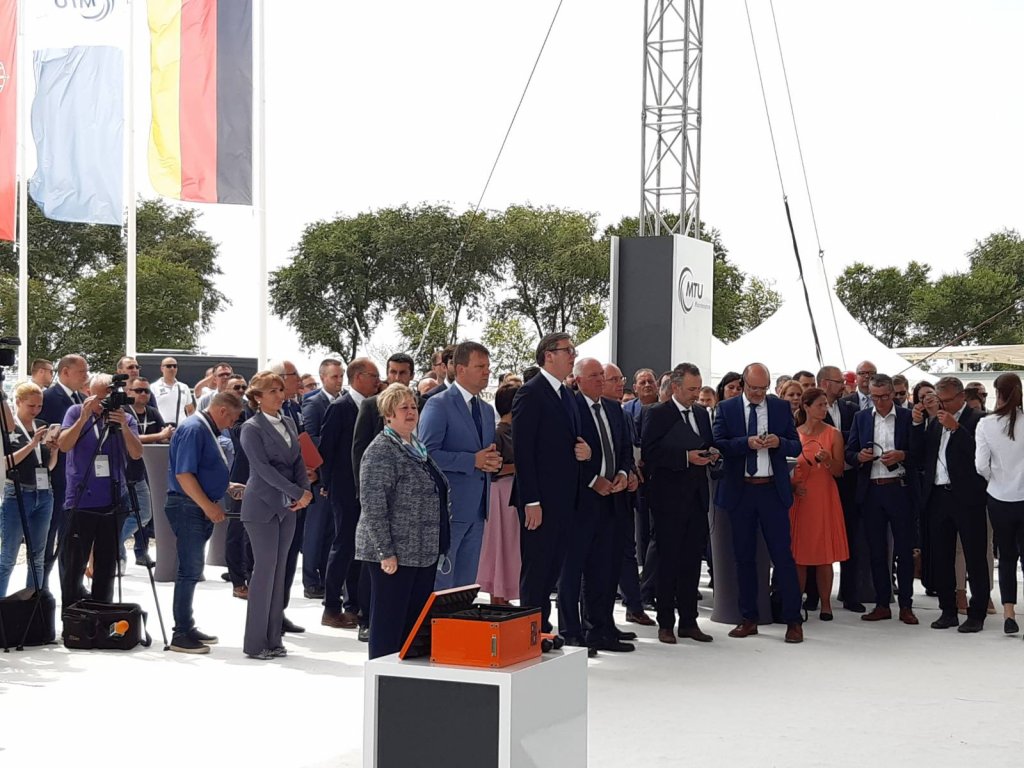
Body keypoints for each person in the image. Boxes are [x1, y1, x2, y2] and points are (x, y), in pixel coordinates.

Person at [355, 384, 450, 659]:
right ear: (388, 414)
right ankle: (384, 676)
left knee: (414, 626)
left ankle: (408, 677)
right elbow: (373, 506)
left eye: (413, 407)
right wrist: (386, 552)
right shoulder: (381, 450)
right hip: (394, 555)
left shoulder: (416, 448)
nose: (411, 412)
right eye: (403, 408)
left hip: (422, 552)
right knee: (389, 625)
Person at [712, 363, 804, 643]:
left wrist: (778, 442)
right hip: (741, 491)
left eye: (763, 389)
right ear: (743, 384)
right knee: (744, 557)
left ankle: (793, 620)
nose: (758, 393)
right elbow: (719, 443)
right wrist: (746, 443)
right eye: (753, 388)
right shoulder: (726, 408)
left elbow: (796, 445)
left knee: (783, 556)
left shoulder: (779, 407)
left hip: (772, 491)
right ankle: (748, 618)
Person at [512, 332, 591, 634]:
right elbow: (523, 451)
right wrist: (531, 500)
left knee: (552, 570)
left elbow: (571, 441)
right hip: (540, 501)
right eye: (567, 350)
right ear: (548, 355)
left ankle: (541, 629)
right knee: (537, 571)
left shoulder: (567, 394)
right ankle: (529, 632)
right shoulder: (531, 393)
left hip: (565, 500)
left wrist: (585, 451)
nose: (573, 356)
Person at [558, 358, 635, 654]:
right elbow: (566, 456)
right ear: (578, 380)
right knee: (573, 570)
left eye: (602, 375)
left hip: (613, 500)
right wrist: (593, 480)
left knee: (604, 569)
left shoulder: (615, 409)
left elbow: (624, 449)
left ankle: (601, 629)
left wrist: (623, 474)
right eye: (594, 376)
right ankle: (572, 632)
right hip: (581, 502)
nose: (601, 380)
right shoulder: (570, 409)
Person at [642, 364, 719, 644]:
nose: (696, 394)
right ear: (675, 387)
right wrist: (686, 458)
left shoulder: (701, 414)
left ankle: (689, 621)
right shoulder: (657, 413)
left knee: (691, 562)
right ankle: (666, 622)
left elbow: (705, 444)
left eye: (698, 388)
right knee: (668, 562)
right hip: (668, 500)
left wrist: (711, 454)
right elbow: (650, 453)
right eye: (691, 389)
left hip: (697, 498)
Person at [239, 373, 313, 659]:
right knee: (264, 571)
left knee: (280, 572)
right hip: (261, 505)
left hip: (287, 507)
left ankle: (273, 639)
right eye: (272, 391)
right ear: (257, 397)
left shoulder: (289, 422)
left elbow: (298, 461)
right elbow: (262, 469)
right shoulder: (251, 428)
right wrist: (296, 492)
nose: (280, 395)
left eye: (281, 389)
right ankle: (256, 643)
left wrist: (304, 492)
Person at [165, 391, 244, 654]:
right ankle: (180, 633)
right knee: (189, 569)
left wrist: (225, 486)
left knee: (192, 568)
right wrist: (208, 505)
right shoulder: (194, 428)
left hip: (194, 504)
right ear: (222, 411)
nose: (231, 425)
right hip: (188, 506)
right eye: (231, 419)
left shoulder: (202, 428)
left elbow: (200, 470)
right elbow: (184, 474)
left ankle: (186, 625)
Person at [419, 342, 499, 590]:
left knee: (465, 584)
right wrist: (471, 461)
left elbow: (484, 453)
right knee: (442, 582)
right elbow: (426, 454)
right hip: (449, 509)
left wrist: (492, 461)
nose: (487, 372)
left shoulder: (486, 410)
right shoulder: (438, 404)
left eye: (488, 366)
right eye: (480, 366)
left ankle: (461, 616)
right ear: (461, 369)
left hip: (478, 510)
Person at [913, 377, 989, 633]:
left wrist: (957, 429)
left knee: (974, 556)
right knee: (941, 556)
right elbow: (923, 455)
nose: (943, 405)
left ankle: (977, 613)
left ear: (961, 397)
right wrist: (917, 424)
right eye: (939, 400)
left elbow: (981, 456)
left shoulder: (978, 419)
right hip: (938, 496)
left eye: (947, 400)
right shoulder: (935, 422)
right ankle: (948, 610)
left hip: (967, 497)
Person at [57, 382, 144, 607]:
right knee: (74, 563)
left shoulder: (124, 417)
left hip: (113, 499)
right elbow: (64, 445)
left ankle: (102, 613)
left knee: (106, 564)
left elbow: (136, 453)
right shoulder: (76, 412)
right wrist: (83, 418)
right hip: (80, 500)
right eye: (100, 397)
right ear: (89, 394)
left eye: (109, 396)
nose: (105, 402)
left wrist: (123, 425)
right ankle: (72, 614)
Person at [846, 374, 919, 625]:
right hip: (872, 490)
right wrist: (860, 457)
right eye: (874, 397)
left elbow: (921, 452)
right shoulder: (862, 417)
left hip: (899, 488)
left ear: (893, 394)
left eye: (884, 397)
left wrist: (903, 455)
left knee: (904, 550)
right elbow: (849, 451)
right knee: (876, 550)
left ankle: (906, 605)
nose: (879, 402)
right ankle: (881, 603)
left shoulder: (907, 417)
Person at [320, 357, 380, 634]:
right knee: (343, 545)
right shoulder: (340, 407)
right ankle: (331, 606)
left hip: (366, 488)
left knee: (362, 549)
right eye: (373, 375)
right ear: (358, 377)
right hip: (344, 488)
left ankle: (353, 604)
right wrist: (326, 483)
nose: (377, 381)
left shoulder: (375, 406)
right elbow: (327, 448)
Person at [789, 387, 849, 620]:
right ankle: (796, 603)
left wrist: (829, 460)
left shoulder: (833, 434)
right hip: (800, 497)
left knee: (824, 553)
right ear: (806, 407)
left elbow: (839, 471)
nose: (824, 409)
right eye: (820, 405)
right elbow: (786, 467)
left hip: (824, 496)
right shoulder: (794, 434)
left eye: (826, 405)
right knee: (799, 553)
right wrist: (793, 486)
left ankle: (826, 604)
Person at [975, 373, 1024, 634]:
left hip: (998, 496)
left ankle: (1009, 612)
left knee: (1006, 556)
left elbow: (980, 464)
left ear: (998, 393)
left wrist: (994, 478)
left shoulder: (986, 424)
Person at [0, 382, 59, 595]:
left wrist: (54, 451)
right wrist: (32, 444)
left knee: (38, 555)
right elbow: (6, 463)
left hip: (43, 492)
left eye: (39, 406)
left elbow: (48, 467)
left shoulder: (41, 425)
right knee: (8, 555)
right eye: (31, 406)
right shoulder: (8, 428)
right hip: (17, 492)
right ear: (18, 402)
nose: (35, 410)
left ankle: (34, 603)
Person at [39, 353, 89, 586]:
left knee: (72, 537)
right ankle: (41, 587)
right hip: (55, 475)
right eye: (81, 372)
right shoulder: (48, 398)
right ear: (65, 372)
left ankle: (71, 586)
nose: (85, 376)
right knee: (50, 535)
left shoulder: (81, 399)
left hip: (76, 477)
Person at [299, 358, 345, 600]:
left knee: (331, 531)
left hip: (336, 475)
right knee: (315, 531)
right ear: (323, 378)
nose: (339, 381)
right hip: (319, 474)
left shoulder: (343, 400)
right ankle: (310, 580)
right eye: (334, 376)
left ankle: (326, 578)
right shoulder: (314, 402)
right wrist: (336, 447)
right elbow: (310, 436)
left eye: (341, 376)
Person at [119, 376, 173, 568]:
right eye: (139, 390)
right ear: (128, 392)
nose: (143, 394)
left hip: (144, 471)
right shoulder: (123, 412)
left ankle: (123, 545)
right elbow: (129, 438)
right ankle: (116, 550)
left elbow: (164, 435)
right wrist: (158, 435)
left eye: (146, 391)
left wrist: (167, 436)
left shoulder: (153, 412)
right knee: (123, 514)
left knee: (145, 514)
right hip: (123, 471)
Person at [476, 382, 521, 604]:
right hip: (501, 492)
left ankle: (506, 592)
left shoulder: (518, 430)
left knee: (512, 545)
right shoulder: (498, 433)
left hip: (514, 491)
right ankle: (497, 592)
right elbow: (494, 468)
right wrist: (519, 467)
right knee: (500, 544)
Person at [152, 356, 195, 426]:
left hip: (181, 427)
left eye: (175, 366)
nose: (172, 368)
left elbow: (190, 410)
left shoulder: (184, 387)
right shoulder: (153, 387)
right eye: (169, 366)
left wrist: (190, 425)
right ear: (162, 368)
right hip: (162, 427)